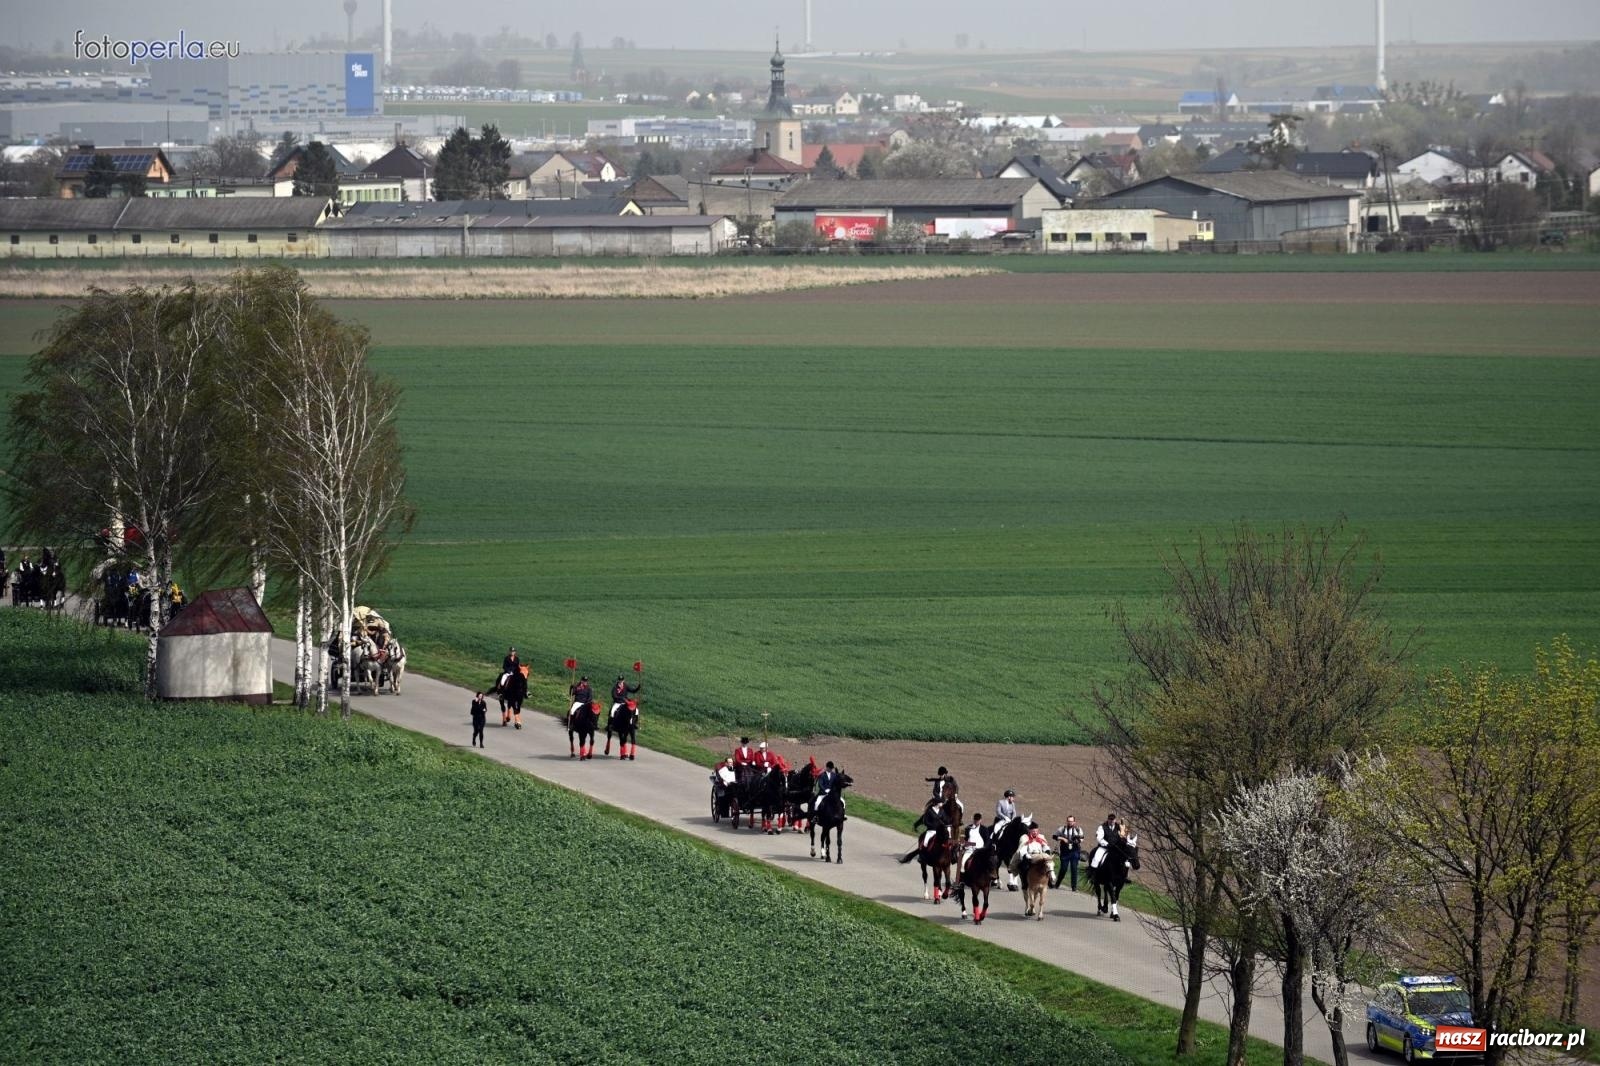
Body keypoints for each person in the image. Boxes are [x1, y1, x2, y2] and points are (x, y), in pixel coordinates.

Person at [605, 674, 641, 756]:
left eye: (622, 680)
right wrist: (621, 699)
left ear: (623, 680)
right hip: (618, 702)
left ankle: (634, 723)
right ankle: (611, 725)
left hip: (626, 702)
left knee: (636, 710)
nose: (621, 682)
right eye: (619, 680)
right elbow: (614, 696)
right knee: (613, 711)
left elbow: (632, 690)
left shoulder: (625, 686)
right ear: (618, 680)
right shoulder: (615, 687)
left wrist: (638, 688)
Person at [1052, 817, 1084, 890]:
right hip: (1065, 852)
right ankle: (1057, 884)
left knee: (1074, 868)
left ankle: (1074, 887)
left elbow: (1082, 838)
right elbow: (1054, 836)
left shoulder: (1078, 829)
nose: (1070, 823)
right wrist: (1062, 839)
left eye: (1071, 821)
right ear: (1067, 821)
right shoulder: (1062, 829)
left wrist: (1077, 840)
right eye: (1069, 821)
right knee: (1063, 868)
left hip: (1075, 851)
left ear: (1074, 822)